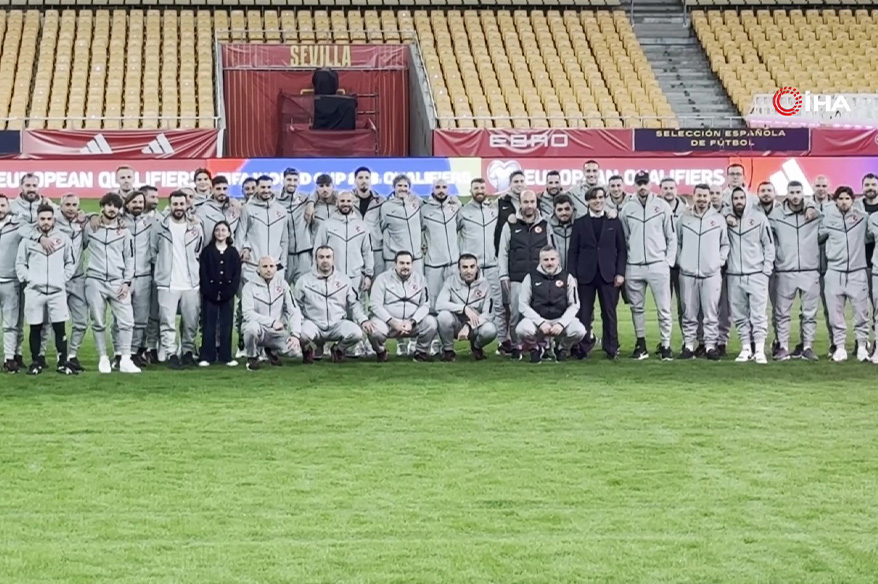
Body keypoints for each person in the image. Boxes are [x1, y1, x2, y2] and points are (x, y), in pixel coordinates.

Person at [620, 170, 677, 360]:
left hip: (657, 264)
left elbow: (671, 236)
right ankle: (641, 343)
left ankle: (666, 345)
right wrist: (629, 259)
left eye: (645, 183)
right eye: (639, 183)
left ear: (651, 185)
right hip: (634, 265)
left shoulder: (662, 206)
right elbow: (625, 237)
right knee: (636, 307)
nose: (642, 187)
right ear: (634, 186)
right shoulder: (627, 208)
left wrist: (668, 262)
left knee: (664, 308)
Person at [15, 204, 77, 375]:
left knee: (59, 327)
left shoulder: (63, 239)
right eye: (42, 219)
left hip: (57, 291)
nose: (46, 222)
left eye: (49, 219)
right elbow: (20, 263)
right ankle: (36, 361)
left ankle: (62, 361)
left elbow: (71, 262)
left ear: (54, 220)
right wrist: (30, 279)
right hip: (35, 291)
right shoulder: (27, 241)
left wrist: (61, 279)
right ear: (37, 219)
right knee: (35, 327)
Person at [83, 193, 140, 374]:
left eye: (115, 206)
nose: (112, 209)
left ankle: (125, 359)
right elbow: (78, 246)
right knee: (98, 322)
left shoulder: (124, 232)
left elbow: (130, 258)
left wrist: (127, 282)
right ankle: (103, 358)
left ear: (119, 209)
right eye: (108, 205)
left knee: (127, 321)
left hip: (117, 282)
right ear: (102, 207)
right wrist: (91, 217)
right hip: (95, 280)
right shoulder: (90, 228)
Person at [568, 186, 626, 359]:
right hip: (585, 274)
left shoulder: (614, 222)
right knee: (584, 313)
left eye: (601, 197)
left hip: (608, 274)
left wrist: (620, 272)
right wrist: (573, 276)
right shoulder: (579, 223)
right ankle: (583, 348)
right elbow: (573, 251)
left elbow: (622, 249)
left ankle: (611, 347)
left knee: (609, 312)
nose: (598, 201)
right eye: (594, 198)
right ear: (588, 201)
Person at [497, 189, 554, 359]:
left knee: (542, 312)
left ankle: (542, 346)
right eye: (525, 202)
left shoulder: (545, 224)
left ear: (536, 204)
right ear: (520, 204)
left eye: (532, 202)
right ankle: (516, 346)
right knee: (515, 314)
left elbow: (551, 250)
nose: (529, 206)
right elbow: (503, 252)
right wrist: (503, 275)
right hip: (517, 277)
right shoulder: (511, 224)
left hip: (540, 278)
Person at [768, 181, 820, 361]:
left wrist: (812, 205)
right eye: (792, 192)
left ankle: (807, 347)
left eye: (798, 192)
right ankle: (782, 346)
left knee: (809, 313)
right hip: (785, 270)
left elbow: (827, 205)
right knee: (781, 312)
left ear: (803, 193)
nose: (795, 196)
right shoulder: (776, 215)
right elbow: (767, 238)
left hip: (810, 269)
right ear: (787, 194)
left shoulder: (816, 214)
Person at [675, 184, 728, 360]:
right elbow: (677, 242)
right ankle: (689, 345)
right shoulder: (684, 218)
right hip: (688, 273)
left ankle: (710, 346)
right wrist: (681, 260)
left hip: (711, 274)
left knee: (711, 313)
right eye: (699, 196)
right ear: (693, 196)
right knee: (688, 312)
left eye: (705, 196)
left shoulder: (719, 219)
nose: (702, 199)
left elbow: (725, 244)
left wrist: (718, 262)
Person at [152, 191, 204, 369]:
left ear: (187, 205)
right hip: (167, 284)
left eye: (182, 204)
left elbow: (199, 251)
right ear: (170, 205)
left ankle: (188, 352)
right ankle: (171, 353)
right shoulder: (160, 227)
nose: (179, 207)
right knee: (167, 321)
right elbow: (153, 251)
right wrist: (161, 270)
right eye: (175, 204)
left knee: (191, 321)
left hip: (191, 283)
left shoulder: (196, 227)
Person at [819, 186, 870, 362]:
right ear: (835, 201)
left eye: (847, 198)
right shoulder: (826, 219)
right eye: (840, 198)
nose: (843, 202)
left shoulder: (863, 219)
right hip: (834, 271)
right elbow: (816, 237)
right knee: (835, 314)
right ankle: (840, 347)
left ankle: (862, 345)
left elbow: (872, 236)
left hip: (857, 272)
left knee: (861, 312)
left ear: (852, 200)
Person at [295, 246, 370, 364]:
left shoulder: (344, 280)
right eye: (321, 257)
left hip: (337, 324)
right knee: (302, 334)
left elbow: (354, 304)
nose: (325, 260)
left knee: (357, 333)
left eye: (328, 257)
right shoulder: (304, 281)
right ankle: (306, 350)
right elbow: (296, 306)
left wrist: (363, 320)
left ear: (333, 259)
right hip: (314, 324)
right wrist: (297, 324)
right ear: (316, 260)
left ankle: (338, 350)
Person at [457, 178, 507, 353]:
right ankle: (460, 340)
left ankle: (502, 341)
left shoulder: (493, 209)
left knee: (498, 305)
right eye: (476, 188)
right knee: (470, 306)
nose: (479, 190)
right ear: (470, 191)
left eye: (482, 188)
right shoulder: (462, 211)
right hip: (471, 268)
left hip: (492, 265)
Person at [726, 187, 775, 364]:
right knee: (739, 315)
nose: (739, 201)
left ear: (747, 199)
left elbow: (769, 245)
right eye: (735, 198)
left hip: (756, 274)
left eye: (741, 198)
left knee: (758, 314)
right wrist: (726, 217)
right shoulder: (726, 218)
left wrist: (766, 270)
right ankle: (746, 348)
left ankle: (760, 349)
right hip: (734, 274)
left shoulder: (759, 218)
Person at [516, 246, 585, 363]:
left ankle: (562, 348)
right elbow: (523, 305)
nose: (549, 263)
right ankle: (536, 348)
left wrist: (561, 324)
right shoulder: (530, 278)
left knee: (580, 330)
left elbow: (574, 305)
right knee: (522, 329)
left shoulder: (568, 278)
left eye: (552, 259)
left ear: (558, 260)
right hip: (538, 321)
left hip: (559, 320)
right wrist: (541, 322)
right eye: (546, 260)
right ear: (540, 261)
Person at [365, 251, 437, 362]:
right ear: (395, 265)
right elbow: (375, 305)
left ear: (412, 265)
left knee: (431, 323)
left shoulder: (420, 279)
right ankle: (381, 351)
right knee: (374, 330)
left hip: (411, 324)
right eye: (401, 263)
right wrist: (393, 322)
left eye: (408, 263)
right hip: (388, 323)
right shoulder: (382, 279)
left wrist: (412, 322)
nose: (405, 266)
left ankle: (421, 352)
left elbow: (425, 305)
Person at [241, 255, 303, 371]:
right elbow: (247, 313)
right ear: (258, 269)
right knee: (251, 329)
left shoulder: (283, 285)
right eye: (264, 266)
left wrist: (295, 334)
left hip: (277, 331)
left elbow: (294, 310)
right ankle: (252, 356)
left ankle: (271, 351)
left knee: (295, 352)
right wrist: (272, 322)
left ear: (276, 268)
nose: (268, 270)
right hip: (258, 328)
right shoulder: (249, 287)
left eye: (271, 266)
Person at [435, 253, 498, 362]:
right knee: (443, 316)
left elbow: (489, 314)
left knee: (490, 329)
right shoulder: (450, 281)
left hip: (475, 327)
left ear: (477, 267)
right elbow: (439, 304)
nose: (468, 271)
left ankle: (477, 347)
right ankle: (448, 350)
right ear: (458, 268)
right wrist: (464, 308)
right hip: (456, 324)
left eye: (472, 267)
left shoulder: (485, 285)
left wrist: (469, 326)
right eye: (465, 267)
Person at [312, 191, 374, 294]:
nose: (345, 203)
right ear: (337, 203)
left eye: (349, 201)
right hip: (332, 276)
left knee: (356, 307)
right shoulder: (326, 225)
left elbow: (368, 252)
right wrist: (316, 272)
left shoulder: (362, 226)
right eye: (342, 201)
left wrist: (368, 275)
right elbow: (317, 251)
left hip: (356, 277)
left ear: (353, 203)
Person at [199, 220, 241, 367]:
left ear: (229, 233)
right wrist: (209, 291)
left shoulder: (233, 252)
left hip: (227, 294)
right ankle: (207, 355)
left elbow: (236, 274)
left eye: (223, 230)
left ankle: (225, 356)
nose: (220, 233)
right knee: (208, 324)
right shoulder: (208, 251)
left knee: (226, 324)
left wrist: (229, 291)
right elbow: (203, 273)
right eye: (217, 230)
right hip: (209, 294)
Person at [55, 194, 89, 371]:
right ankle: (56, 356)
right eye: (67, 204)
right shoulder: (52, 222)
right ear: (60, 206)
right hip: (57, 279)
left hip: (78, 279)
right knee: (51, 322)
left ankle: (72, 355)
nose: (70, 208)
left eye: (74, 205)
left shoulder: (83, 224)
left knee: (82, 322)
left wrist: (92, 217)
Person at [236, 174, 290, 283]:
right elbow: (240, 236)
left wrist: (283, 265)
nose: (266, 190)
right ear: (257, 188)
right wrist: (240, 263)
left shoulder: (282, 211)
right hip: (252, 267)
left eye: (269, 187)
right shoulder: (248, 209)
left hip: (275, 267)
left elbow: (284, 240)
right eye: (263, 187)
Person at [123, 191, 154, 367]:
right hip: (123, 277)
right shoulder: (118, 222)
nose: (137, 205)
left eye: (140, 202)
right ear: (126, 204)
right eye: (134, 202)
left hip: (143, 275)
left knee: (141, 318)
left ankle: (134, 352)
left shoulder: (150, 223)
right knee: (123, 318)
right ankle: (121, 353)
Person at [421, 179, 461, 314]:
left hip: (454, 263)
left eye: (444, 187)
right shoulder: (424, 209)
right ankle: (432, 333)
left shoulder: (455, 207)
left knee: (455, 299)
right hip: (433, 264)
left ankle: (452, 330)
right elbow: (417, 230)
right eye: (437, 187)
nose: (441, 190)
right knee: (432, 302)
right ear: (432, 190)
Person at [0, 195, 27, 373]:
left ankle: (10, 358)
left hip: (10, 281)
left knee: (11, 323)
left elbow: (39, 229)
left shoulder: (19, 226)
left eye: (2, 205)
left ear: (8, 206)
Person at [276, 168, 314, 284]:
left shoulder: (305, 199)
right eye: (289, 179)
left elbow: (323, 193)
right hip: (284, 254)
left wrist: (311, 203)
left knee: (305, 291)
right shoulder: (275, 200)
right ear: (283, 181)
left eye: (295, 180)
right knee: (280, 290)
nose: (292, 183)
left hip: (304, 254)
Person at [380, 174, 423, 273]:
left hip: (415, 259)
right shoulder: (386, 206)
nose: (402, 189)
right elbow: (382, 227)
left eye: (405, 186)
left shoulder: (417, 203)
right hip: (394, 259)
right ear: (394, 187)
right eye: (399, 186)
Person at [351, 166, 386, 277]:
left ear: (371, 180)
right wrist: (311, 202)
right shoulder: (347, 200)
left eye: (367, 177)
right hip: (355, 249)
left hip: (376, 249)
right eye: (360, 178)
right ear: (355, 180)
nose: (364, 181)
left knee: (377, 288)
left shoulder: (380, 201)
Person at [197, 175, 242, 243]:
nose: (222, 192)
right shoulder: (203, 210)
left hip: (232, 251)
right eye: (218, 189)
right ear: (212, 189)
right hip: (210, 251)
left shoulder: (236, 207)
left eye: (225, 189)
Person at [549, 194, 575, 271]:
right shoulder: (547, 226)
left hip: (576, 274)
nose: (564, 213)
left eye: (567, 209)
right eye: (559, 210)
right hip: (554, 272)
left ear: (572, 208)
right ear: (554, 210)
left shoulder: (580, 224)